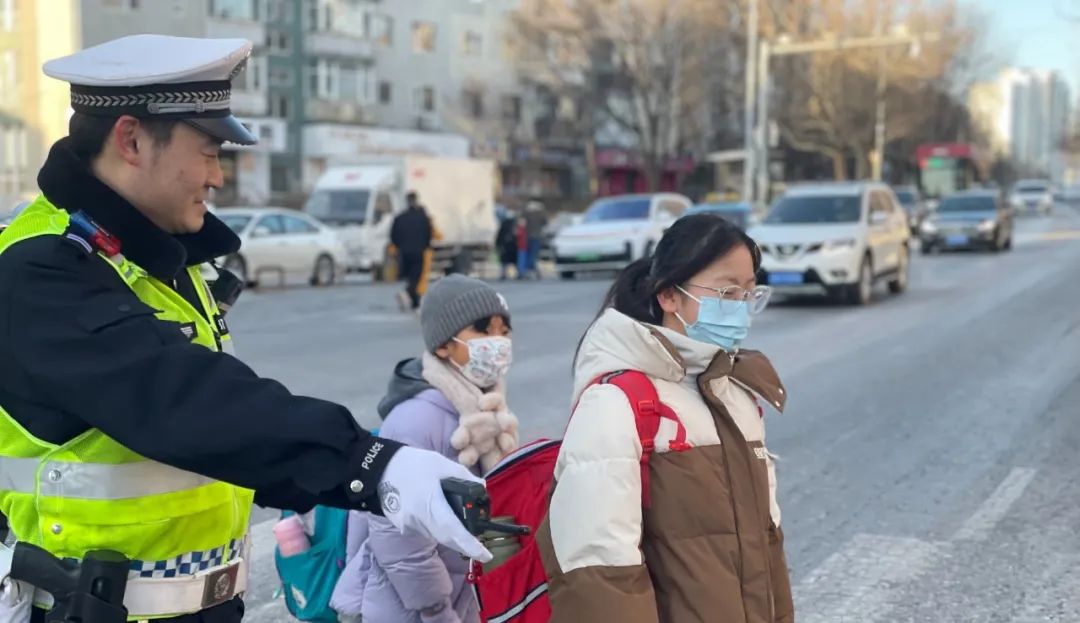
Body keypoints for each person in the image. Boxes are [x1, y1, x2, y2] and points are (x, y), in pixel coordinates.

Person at [0, 35, 489, 623]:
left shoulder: (149, 259)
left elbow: (216, 437)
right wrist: (368, 465)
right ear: (130, 140)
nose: (217, 178)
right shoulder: (40, 268)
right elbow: (183, 400)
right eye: (209, 152)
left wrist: (305, 479)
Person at [536, 213, 794, 623]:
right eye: (727, 292)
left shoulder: (737, 394)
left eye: (749, 293)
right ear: (668, 296)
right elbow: (600, 574)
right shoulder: (616, 403)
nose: (741, 308)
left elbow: (767, 547)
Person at [331, 275, 519, 623]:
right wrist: (435, 609)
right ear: (443, 346)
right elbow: (397, 536)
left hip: (461, 601)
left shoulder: (486, 410)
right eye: (483, 330)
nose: (498, 343)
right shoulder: (415, 419)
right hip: (410, 610)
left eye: (504, 331)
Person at [391, 191, 434, 312]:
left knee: (410, 277)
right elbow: (428, 235)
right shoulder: (423, 218)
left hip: (404, 252)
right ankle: (407, 294)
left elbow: (393, 236)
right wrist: (425, 246)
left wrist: (399, 246)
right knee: (416, 277)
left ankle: (414, 302)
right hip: (418, 251)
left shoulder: (399, 218)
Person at [522, 200, 547, 280]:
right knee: (533, 255)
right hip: (537, 236)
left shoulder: (527, 214)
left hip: (528, 237)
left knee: (531, 255)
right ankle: (532, 272)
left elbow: (522, 220)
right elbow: (545, 222)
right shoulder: (539, 214)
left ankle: (532, 272)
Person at [495, 210, 518, 281]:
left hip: (505, 245)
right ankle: (518, 273)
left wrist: (497, 244)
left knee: (504, 262)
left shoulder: (504, 223)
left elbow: (499, 235)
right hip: (513, 245)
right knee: (514, 261)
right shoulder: (515, 223)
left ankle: (503, 274)